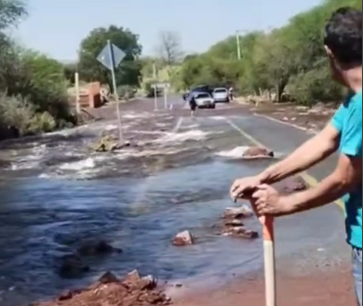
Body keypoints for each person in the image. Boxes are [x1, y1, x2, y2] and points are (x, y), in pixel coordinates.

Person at [230, 7, 362, 305]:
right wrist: (262, 176)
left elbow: (345, 179)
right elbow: (325, 140)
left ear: (330, 53)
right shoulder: (355, 100)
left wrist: (283, 204)